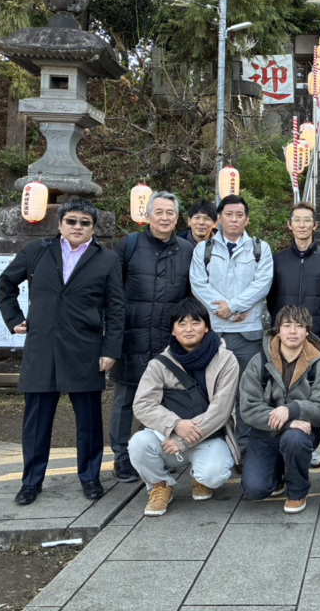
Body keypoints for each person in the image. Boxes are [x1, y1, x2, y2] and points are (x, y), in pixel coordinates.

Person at [0, 200, 124, 504]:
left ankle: (90, 477)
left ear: (93, 228)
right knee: (36, 420)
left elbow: (116, 309)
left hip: (85, 348)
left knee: (89, 421)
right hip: (42, 346)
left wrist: (110, 350)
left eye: (84, 222)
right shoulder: (37, 251)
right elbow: (6, 283)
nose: (77, 227)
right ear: (60, 224)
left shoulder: (107, 259)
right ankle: (31, 481)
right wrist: (14, 319)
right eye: (71, 221)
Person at [111, 191, 194, 484]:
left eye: (170, 212)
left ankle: (156, 454)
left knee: (165, 399)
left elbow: (190, 297)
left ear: (177, 217)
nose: (164, 217)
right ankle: (121, 456)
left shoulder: (187, 250)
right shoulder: (130, 245)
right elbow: (113, 291)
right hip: (131, 334)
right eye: (158, 212)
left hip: (167, 339)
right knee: (125, 398)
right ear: (147, 216)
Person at [130, 298, 238, 516]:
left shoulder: (226, 360)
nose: (188, 329)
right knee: (138, 444)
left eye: (195, 323)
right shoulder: (159, 363)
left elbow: (222, 409)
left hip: (210, 435)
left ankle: (201, 479)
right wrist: (175, 424)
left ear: (207, 327)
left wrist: (183, 440)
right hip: (167, 438)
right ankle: (160, 486)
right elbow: (142, 404)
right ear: (173, 330)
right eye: (182, 324)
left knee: (213, 474)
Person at [191, 194, 274, 458]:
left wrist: (233, 307)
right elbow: (198, 285)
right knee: (213, 392)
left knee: (247, 393)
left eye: (239, 215)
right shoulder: (203, 249)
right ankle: (215, 447)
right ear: (218, 219)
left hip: (248, 334)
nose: (234, 219)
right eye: (228, 214)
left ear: (247, 220)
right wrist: (225, 312)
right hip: (214, 334)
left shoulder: (260, 249)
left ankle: (245, 450)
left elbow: (262, 285)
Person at [239, 305, 320, 514]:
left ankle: (297, 492)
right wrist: (288, 420)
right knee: (255, 489)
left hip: (301, 434)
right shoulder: (259, 362)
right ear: (277, 330)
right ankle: (279, 472)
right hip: (265, 433)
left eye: (299, 326)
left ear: (307, 331)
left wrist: (294, 409)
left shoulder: (318, 364)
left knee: (294, 439)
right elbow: (248, 408)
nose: (293, 331)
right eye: (287, 325)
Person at [267, 201, 320, 467]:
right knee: (282, 390)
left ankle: (310, 445)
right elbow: (271, 298)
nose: (302, 225)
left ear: (315, 225)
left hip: (315, 340)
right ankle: (282, 440)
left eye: (307, 220)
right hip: (284, 340)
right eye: (297, 220)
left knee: (314, 396)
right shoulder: (278, 260)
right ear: (289, 224)